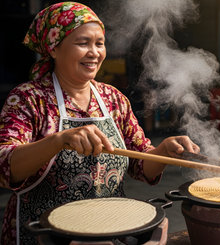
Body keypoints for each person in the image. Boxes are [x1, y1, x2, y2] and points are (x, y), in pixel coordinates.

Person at [0, 2, 200, 244]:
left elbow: (140, 164)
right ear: (54, 48)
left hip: (109, 230)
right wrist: (58, 140)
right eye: (83, 43)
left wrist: (163, 150)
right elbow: (6, 167)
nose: (94, 52)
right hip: (45, 235)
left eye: (99, 43)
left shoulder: (113, 99)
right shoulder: (28, 99)